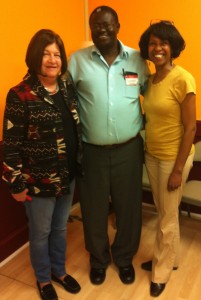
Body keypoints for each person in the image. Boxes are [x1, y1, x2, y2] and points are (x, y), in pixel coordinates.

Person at [68, 6, 150, 285]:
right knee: (93, 209)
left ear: (118, 25)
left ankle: (124, 258)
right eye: (95, 26)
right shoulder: (76, 60)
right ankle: (99, 259)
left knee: (129, 208)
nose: (101, 30)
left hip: (129, 149)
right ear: (91, 29)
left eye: (106, 25)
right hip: (91, 151)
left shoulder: (138, 60)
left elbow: (152, 95)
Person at [2, 29, 82, 300]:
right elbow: (10, 145)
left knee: (60, 228)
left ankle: (59, 271)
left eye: (57, 54)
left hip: (67, 175)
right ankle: (43, 279)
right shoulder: (20, 95)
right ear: (35, 56)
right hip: (38, 182)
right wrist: (15, 184)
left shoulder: (66, 87)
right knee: (40, 233)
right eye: (46, 54)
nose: (52, 59)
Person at [139, 21, 196, 297]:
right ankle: (167, 256)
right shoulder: (149, 81)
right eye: (152, 43)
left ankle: (161, 271)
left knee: (168, 217)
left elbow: (191, 128)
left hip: (174, 158)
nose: (157, 48)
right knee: (165, 212)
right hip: (152, 155)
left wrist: (177, 169)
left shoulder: (183, 78)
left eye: (163, 43)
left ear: (172, 47)